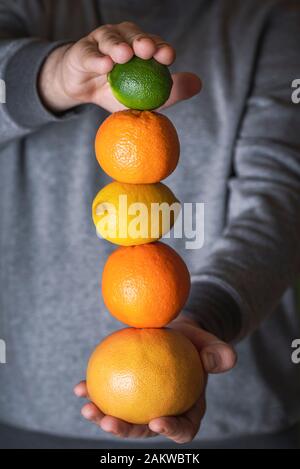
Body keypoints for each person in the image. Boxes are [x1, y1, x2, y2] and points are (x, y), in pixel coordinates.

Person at [0, 0, 300, 449]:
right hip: (28, 406)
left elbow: (280, 199)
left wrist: (202, 324)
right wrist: (53, 78)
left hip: (237, 411)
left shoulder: (273, 19)